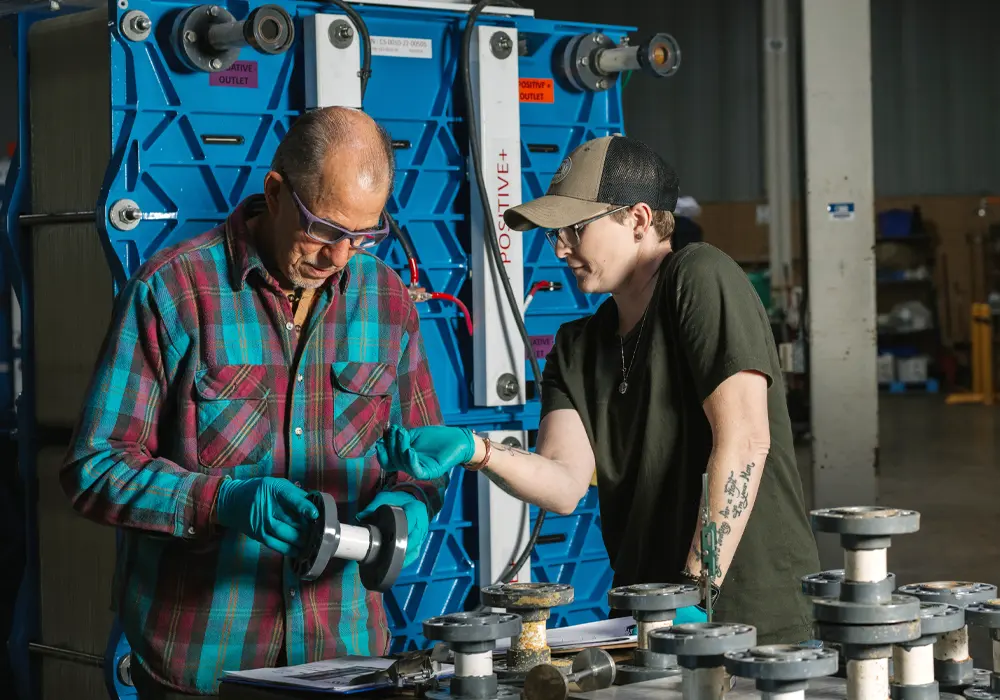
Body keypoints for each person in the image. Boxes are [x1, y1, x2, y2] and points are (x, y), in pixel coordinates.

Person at [60, 106, 446, 698]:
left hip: (344, 657)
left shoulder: (387, 299)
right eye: (325, 229)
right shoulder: (175, 291)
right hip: (202, 661)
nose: (340, 257)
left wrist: (411, 501)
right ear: (275, 191)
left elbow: (419, 458)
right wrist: (221, 501)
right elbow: (94, 468)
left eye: (364, 235)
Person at [376, 135, 821, 643]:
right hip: (651, 616)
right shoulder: (578, 345)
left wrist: (695, 590)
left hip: (751, 614)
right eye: (555, 233)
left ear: (638, 219)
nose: (561, 247)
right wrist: (475, 451)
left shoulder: (698, 276)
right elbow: (565, 486)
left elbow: (745, 441)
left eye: (576, 229)